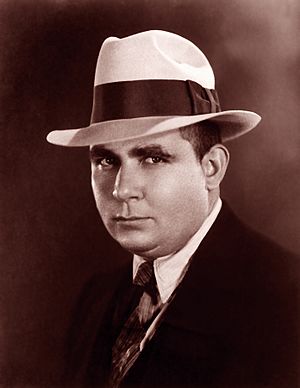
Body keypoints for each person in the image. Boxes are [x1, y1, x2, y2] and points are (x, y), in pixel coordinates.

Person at [47, 30, 299, 387]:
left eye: (152, 157)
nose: (122, 189)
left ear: (211, 168)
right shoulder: (95, 300)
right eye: (106, 160)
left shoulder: (286, 303)